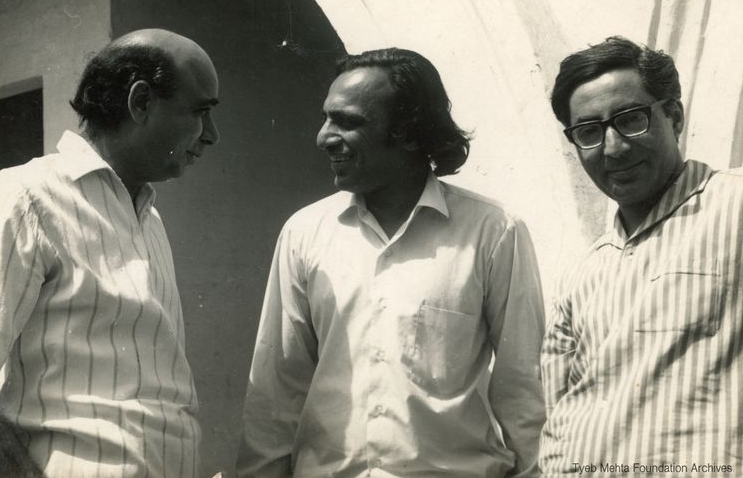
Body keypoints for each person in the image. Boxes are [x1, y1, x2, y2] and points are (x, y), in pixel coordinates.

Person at [237, 48, 546, 477]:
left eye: (347, 122)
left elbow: (523, 391)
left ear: (408, 132)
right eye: (328, 118)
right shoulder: (304, 232)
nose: (323, 136)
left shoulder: (493, 233)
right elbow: (276, 391)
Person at [0, 28, 220, 477]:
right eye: (201, 112)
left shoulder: (148, 217)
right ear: (141, 102)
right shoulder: (24, 200)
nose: (212, 135)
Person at [539, 36, 742, 475]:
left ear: (675, 116)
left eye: (630, 119)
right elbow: (557, 412)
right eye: (589, 132)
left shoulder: (735, 205)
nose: (612, 148)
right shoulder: (581, 272)